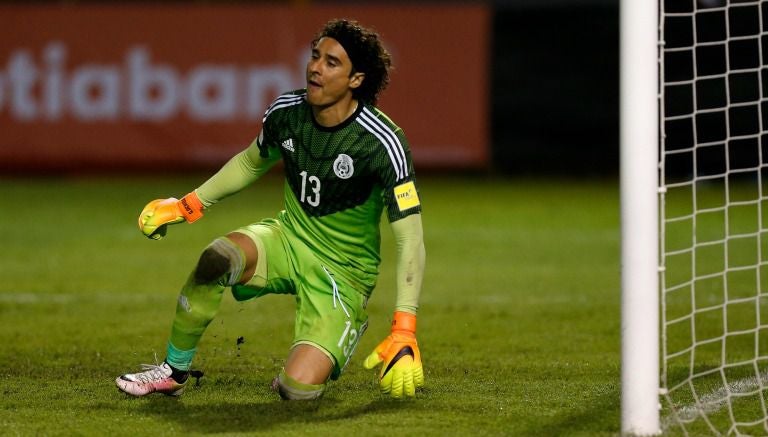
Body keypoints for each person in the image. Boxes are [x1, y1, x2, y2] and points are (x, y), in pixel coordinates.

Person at [115, 18, 426, 400]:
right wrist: (187, 205)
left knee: (297, 392)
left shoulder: (382, 142)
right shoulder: (288, 112)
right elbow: (249, 163)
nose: (315, 67)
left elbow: (410, 238)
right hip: (288, 237)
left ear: (356, 80)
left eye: (332, 62)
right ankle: (173, 371)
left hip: (343, 274)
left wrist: (404, 328)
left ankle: (338, 333)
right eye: (315, 56)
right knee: (215, 260)